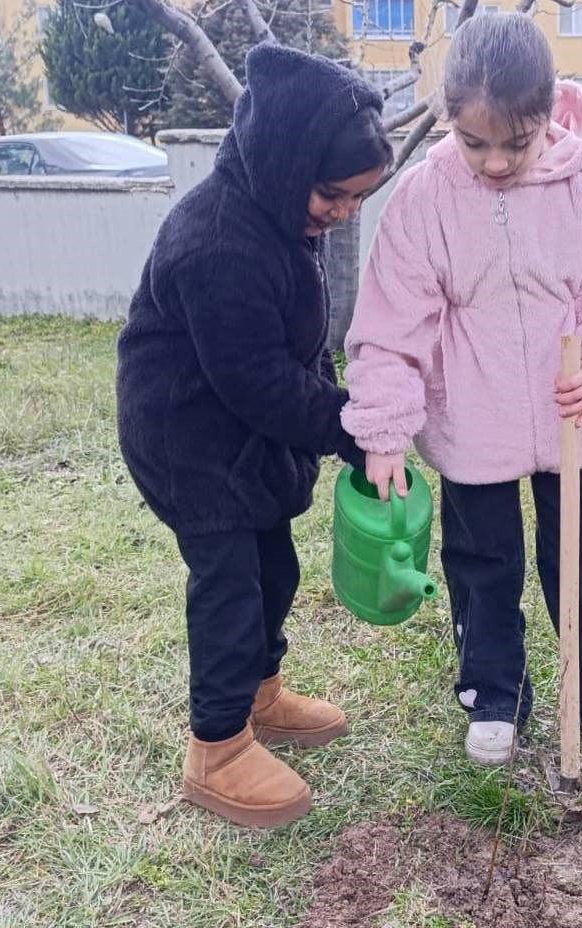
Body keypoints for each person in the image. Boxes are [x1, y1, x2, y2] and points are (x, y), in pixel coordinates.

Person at [342, 15, 582, 772]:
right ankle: (493, 693)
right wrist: (386, 428)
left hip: (572, 418)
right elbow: (392, 325)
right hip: (472, 424)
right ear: (448, 119)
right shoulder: (422, 202)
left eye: (515, 144)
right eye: (473, 142)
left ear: (547, 115)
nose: (493, 162)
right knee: (482, 563)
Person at [116, 44, 392, 827]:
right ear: (284, 159)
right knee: (230, 582)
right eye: (332, 195)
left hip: (240, 425)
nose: (341, 213)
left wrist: (338, 401)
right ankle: (217, 747)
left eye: (355, 201)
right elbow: (259, 383)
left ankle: (261, 695)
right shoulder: (218, 242)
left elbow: (297, 349)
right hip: (187, 433)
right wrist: (351, 427)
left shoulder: (279, 217)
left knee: (274, 566)